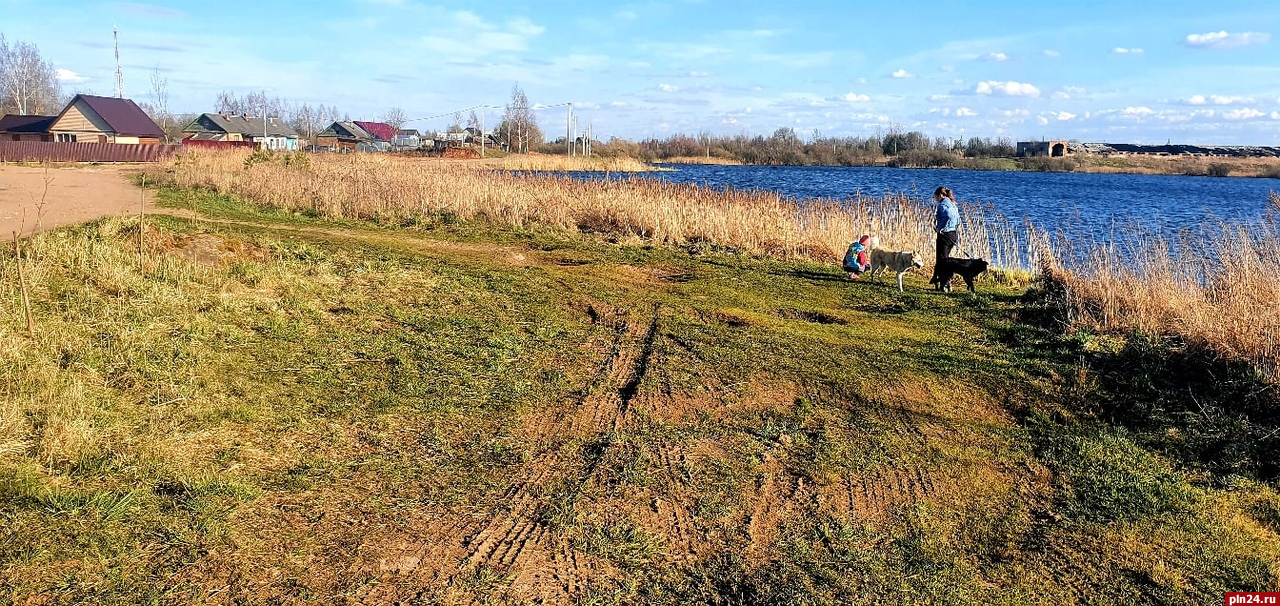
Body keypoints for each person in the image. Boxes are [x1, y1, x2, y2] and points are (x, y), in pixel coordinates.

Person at [929, 186, 960, 286]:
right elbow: (958, 218)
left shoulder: (942, 205)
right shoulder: (953, 204)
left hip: (944, 235)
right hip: (953, 234)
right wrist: (955, 226)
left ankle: (944, 282)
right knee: (945, 259)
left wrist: (940, 228)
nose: (936, 199)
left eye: (936, 197)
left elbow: (948, 216)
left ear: (941, 195)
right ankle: (942, 280)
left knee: (942, 260)